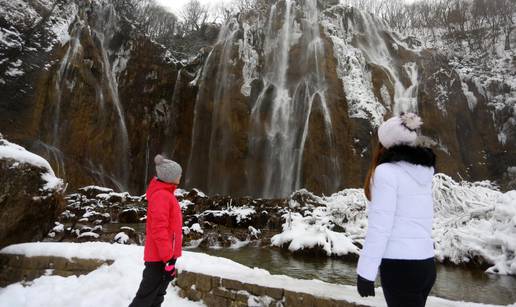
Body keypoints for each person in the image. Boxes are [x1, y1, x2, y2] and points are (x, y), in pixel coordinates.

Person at [356, 113, 437, 307]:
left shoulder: (386, 172)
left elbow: (380, 227)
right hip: (426, 265)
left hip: (401, 267)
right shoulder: (423, 172)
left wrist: (366, 272)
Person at [129, 154, 183, 307]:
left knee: (157, 295)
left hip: (164, 256)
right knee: (145, 299)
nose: (180, 176)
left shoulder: (166, 194)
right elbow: (159, 230)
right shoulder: (162, 196)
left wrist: (170, 257)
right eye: (179, 173)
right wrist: (168, 259)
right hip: (159, 258)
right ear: (170, 177)